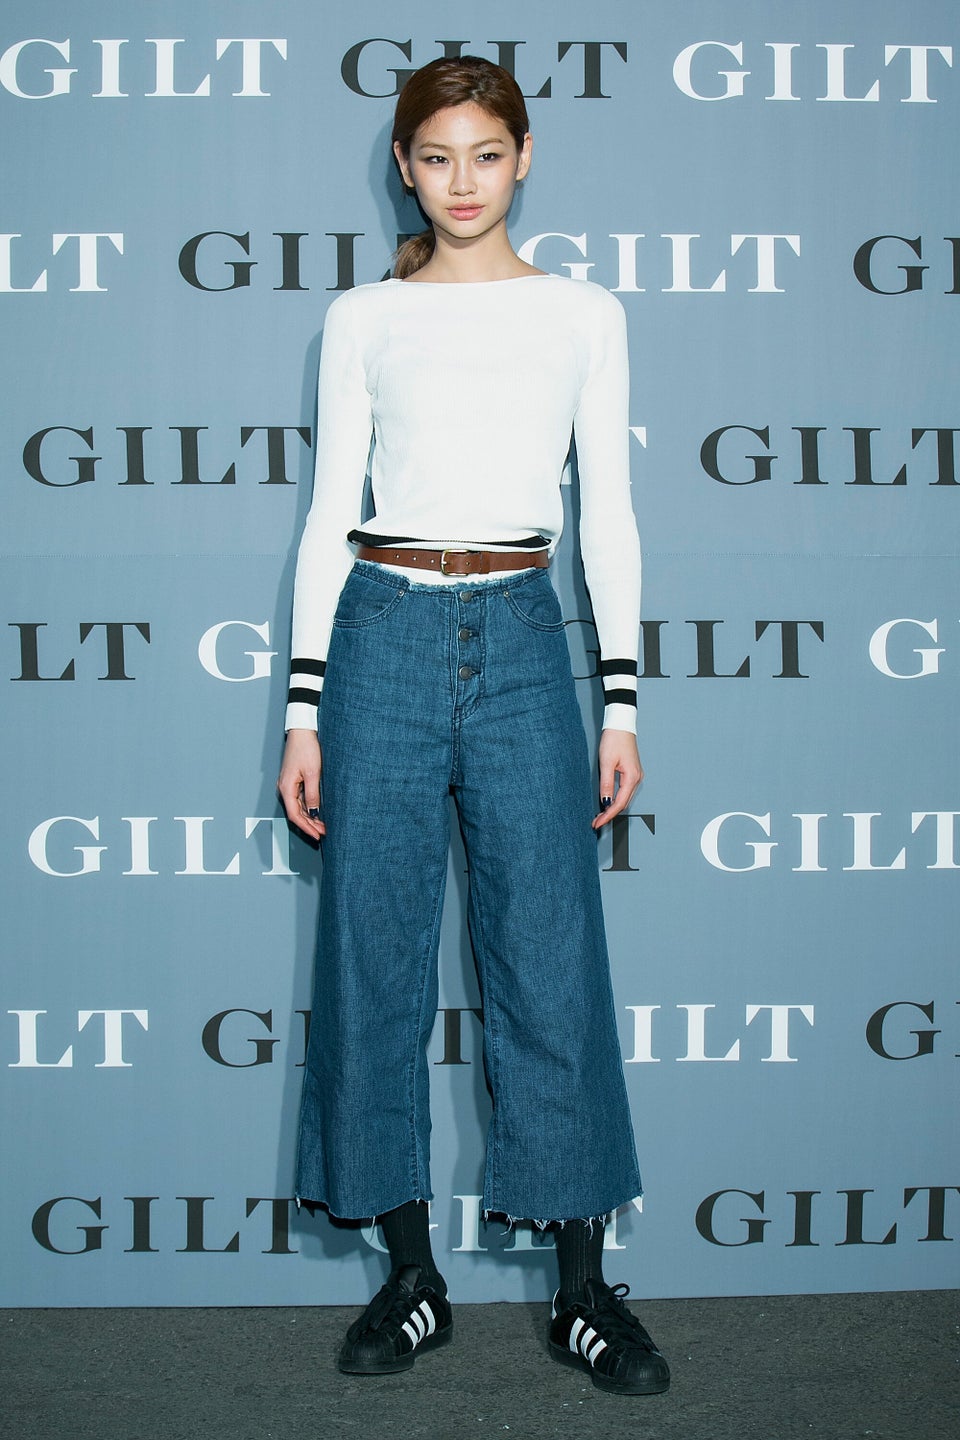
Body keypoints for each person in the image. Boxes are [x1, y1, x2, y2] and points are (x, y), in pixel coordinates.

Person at [277, 54, 669, 1398]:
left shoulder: (584, 314)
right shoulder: (363, 317)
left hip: (517, 631)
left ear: (525, 156)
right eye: (435, 156)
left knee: (550, 957)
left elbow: (607, 513)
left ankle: (580, 1292)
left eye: (484, 155)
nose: (460, 181)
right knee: (371, 955)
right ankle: (410, 1276)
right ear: (405, 163)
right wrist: (304, 705)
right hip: (382, 626)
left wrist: (620, 697)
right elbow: (330, 514)